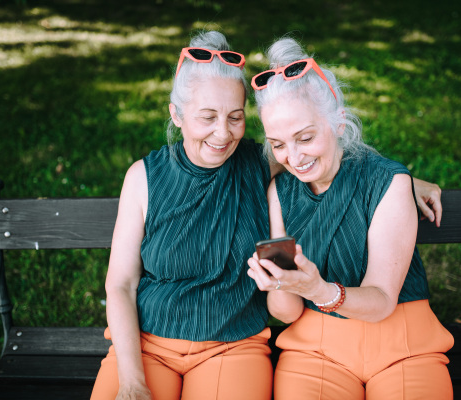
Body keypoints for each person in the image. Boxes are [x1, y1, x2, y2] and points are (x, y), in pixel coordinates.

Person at [91, 30, 443, 400]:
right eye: (207, 117)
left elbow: (331, 155)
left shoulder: (258, 165)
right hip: (147, 344)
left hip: (233, 346)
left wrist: (400, 179)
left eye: (236, 117)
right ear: (175, 115)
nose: (223, 133)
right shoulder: (148, 177)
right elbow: (120, 284)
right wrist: (132, 382)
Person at [247, 37, 454, 400]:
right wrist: (278, 285)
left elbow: (382, 301)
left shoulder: (387, 183)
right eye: (278, 144)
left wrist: (319, 290)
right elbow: (289, 314)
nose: (293, 158)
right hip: (316, 349)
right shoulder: (279, 193)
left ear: (339, 124)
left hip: (402, 343)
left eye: (305, 137)